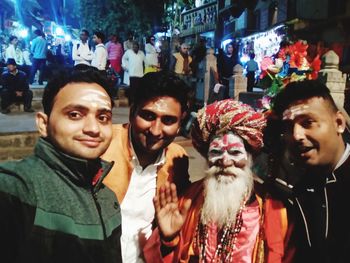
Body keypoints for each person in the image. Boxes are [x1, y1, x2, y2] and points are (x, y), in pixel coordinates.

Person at [144, 99, 291, 262]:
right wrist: (168, 240)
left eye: (235, 152)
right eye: (216, 152)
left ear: (250, 158)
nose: (225, 161)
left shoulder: (272, 208)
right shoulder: (188, 202)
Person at [0, 68, 122, 262]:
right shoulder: (17, 189)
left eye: (103, 117)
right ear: (43, 124)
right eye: (74, 114)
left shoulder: (107, 197)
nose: (93, 129)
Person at [102, 71, 191, 262]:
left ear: (180, 121)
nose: (156, 130)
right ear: (132, 111)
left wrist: (168, 238)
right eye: (148, 116)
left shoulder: (178, 159)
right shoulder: (103, 144)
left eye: (168, 120)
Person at [268, 80, 349, 263]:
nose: (296, 136)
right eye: (289, 127)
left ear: (338, 123)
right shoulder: (299, 185)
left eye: (308, 122)